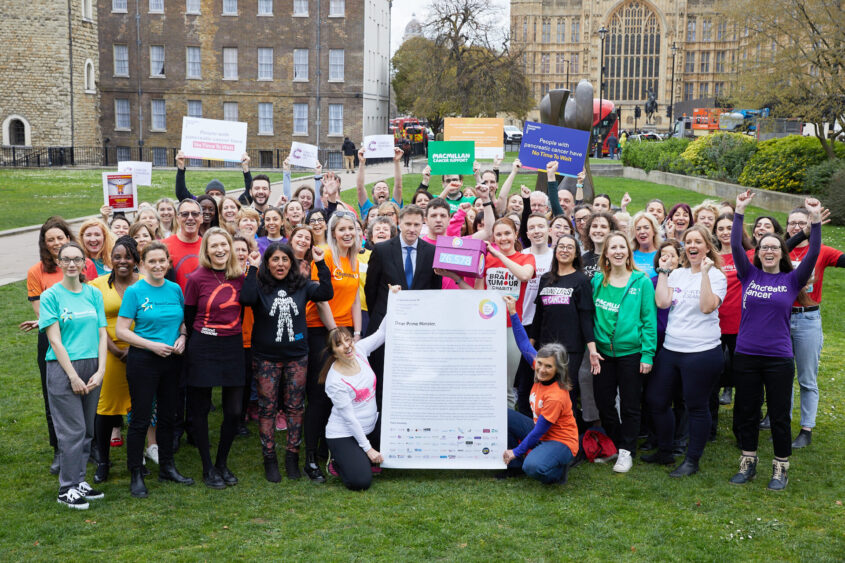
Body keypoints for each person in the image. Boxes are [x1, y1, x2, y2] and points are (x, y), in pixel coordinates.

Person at [729, 191, 821, 491]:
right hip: (746, 355)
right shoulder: (749, 275)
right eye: (764, 247)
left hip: (778, 358)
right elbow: (734, 245)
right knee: (747, 411)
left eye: (774, 247)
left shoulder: (792, 280)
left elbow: (813, 253)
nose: (768, 250)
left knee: (780, 414)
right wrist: (739, 211)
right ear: (757, 253)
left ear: (781, 253)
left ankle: (781, 468)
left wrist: (816, 221)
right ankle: (748, 461)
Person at [242, 242, 334, 481]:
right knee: (267, 408)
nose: (280, 264)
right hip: (266, 358)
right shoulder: (260, 286)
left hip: (296, 356)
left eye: (285, 259)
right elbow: (246, 298)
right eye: (275, 259)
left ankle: (292, 455)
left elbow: (326, 293)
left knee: (295, 407)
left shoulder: (301, 285)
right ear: (267, 263)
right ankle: (269, 458)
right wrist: (252, 269)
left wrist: (321, 263)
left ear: (292, 263)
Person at [116, 241, 195, 498]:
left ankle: (167, 467)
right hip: (144, 362)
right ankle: (136, 473)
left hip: (172, 360)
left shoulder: (174, 289)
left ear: (168, 262)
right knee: (141, 418)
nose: (158, 265)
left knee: (169, 416)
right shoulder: (135, 291)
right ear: (142, 264)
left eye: (162, 261)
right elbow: (121, 331)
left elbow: (183, 321)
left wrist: (183, 337)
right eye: (152, 261)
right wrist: (152, 346)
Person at [647, 225, 727, 476]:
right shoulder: (677, 274)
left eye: (698, 242)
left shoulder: (717, 276)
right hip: (672, 348)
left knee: (695, 405)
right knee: (657, 400)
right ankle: (666, 451)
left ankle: (692, 460)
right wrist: (663, 271)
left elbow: (706, 307)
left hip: (702, 352)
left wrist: (703, 274)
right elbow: (662, 302)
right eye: (689, 242)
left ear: (707, 247)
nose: (692, 246)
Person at [22, 217, 98, 474]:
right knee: (53, 398)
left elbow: (90, 300)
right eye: (50, 239)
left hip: (83, 334)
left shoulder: (84, 265)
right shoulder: (36, 272)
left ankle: (90, 446)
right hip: (53, 337)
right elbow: (43, 313)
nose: (56, 243)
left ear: (68, 238)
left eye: (60, 237)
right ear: (44, 244)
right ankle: (60, 448)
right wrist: (47, 320)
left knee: (89, 394)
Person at [39, 241, 108, 509]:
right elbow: (55, 340)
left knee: (87, 429)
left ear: (83, 264)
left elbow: (102, 333)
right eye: (65, 259)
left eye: (76, 259)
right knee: (72, 430)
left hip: (92, 365)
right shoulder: (51, 296)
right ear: (58, 263)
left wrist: (101, 370)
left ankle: (79, 481)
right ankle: (66, 488)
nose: (71, 264)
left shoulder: (92, 294)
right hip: (63, 368)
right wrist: (72, 376)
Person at [183, 228, 246, 489]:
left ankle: (222, 462)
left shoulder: (240, 277)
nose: (220, 250)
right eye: (214, 246)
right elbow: (189, 316)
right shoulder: (196, 278)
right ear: (206, 251)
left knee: (233, 411)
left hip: (232, 346)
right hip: (204, 345)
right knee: (199, 410)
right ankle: (208, 467)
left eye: (224, 245)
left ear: (230, 248)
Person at [303, 211, 363, 482]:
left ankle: (331, 446)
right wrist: (335, 335)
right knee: (318, 394)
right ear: (333, 232)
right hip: (321, 330)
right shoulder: (325, 256)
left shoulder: (353, 258)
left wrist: (357, 333)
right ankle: (310, 457)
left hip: (345, 332)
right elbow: (321, 299)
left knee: (339, 393)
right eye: (342, 229)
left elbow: (353, 299)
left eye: (351, 228)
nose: (347, 233)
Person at [591, 232, 657, 473]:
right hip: (602, 354)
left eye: (622, 247)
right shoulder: (598, 281)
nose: (618, 251)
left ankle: (627, 451)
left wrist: (648, 354)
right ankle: (619, 446)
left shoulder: (642, 281)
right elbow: (590, 316)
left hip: (631, 353)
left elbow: (649, 320)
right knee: (604, 402)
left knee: (630, 405)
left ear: (628, 252)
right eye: (613, 248)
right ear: (606, 254)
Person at [364, 205, 441, 405]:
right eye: (407, 224)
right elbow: (370, 289)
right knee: (381, 375)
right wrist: (379, 314)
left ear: (422, 224)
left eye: (416, 224)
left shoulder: (431, 251)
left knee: (412, 376)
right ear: (399, 223)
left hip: (417, 327)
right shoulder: (381, 250)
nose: (412, 229)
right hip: (385, 324)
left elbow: (434, 291)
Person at [320, 290, 395, 491]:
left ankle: (360, 455)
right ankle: (336, 461)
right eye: (339, 345)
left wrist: (393, 299)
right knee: (361, 482)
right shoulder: (335, 381)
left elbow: (382, 333)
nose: (346, 346)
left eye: (347, 340)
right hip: (344, 432)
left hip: (370, 425)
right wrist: (369, 450)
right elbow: (350, 419)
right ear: (333, 352)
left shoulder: (360, 351)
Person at [502, 296, 579, 484]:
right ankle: (514, 467)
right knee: (504, 415)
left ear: (557, 369)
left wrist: (516, 451)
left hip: (560, 441)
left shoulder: (556, 396)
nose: (542, 370)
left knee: (533, 466)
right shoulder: (539, 367)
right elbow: (523, 345)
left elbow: (538, 433)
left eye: (548, 367)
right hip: (541, 433)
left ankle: (558, 472)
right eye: (540, 364)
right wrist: (513, 312)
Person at [784, 206, 844, 448]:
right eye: (792, 223)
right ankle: (782, 423)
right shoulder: (779, 250)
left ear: (810, 223)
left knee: (807, 378)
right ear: (787, 226)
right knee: (783, 376)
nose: (796, 227)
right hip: (781, 320)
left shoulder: (820, 250)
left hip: (808, 319)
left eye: (801, 222)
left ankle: (806, 428)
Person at [89, 237, 142, 484]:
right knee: (106, 408)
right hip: (107, 351)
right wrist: (115, 349)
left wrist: (135, 346)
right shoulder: (97, 285)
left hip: (141, 350)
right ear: (111, 259)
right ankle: (103, 461)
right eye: (117, 256)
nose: (122, 261)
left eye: (128, 256)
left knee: (140, 407)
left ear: (136, 260)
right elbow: (94, 321)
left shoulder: (144, 283)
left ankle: (137, 461)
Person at [530, 234, 597, 426]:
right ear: (556, 251)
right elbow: (539, 315)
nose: (565, 250)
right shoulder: (546, 279)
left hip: (571, 348)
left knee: (567, 392)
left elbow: (586, 317)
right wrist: (531, 344)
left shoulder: (581, 280)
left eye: (570, 247)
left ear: (576, 254)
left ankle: (570, 439)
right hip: (546, 348)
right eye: (561, 246)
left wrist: (592, 349)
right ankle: (546, 433)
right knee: (546, 391)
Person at [163, 199, 203, 290]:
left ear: (201, 218)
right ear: (177, 219)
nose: (190, 218)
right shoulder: (163, 246)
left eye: (195, 214)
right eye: (185, 214)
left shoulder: (209, 246)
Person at [356, 146, 404, 217]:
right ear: (372, 194)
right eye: (378, 189)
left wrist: (397, 162)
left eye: (385, 188)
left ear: (389, 193)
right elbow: (360, 188)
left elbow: (398, 187)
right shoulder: (367, 208)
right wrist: (361, 162)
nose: (382, 191)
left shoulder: (394, 206)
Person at [581, 212, 617, 279]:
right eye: (594, 226)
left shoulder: (617, 257)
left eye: (603, 227)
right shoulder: (583, 259)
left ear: (611, 231)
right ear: (589, 231)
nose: (598, 230)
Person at [631, 211, 661, 278]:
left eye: (646, 228)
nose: (642, 232)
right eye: (638, 229)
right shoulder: (630, 255)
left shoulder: (661, 254)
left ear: (654, 231)